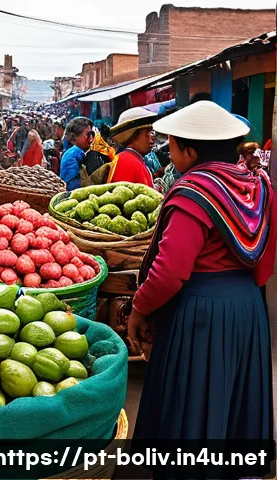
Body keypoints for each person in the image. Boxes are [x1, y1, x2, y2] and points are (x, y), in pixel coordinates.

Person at [128, 101, 276, 446]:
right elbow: (265, 258)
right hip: (247, 307)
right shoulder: (255, 185)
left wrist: (139, 308)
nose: (171, 154)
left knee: (194, 404)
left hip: (202, 314)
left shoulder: (194, 193)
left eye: (174, 146)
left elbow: (169, 272)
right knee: (234, 402)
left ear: (190, 152)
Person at [107, 107, 156, 187]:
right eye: (147, 133)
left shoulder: (132, 158)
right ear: (134, 136)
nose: (151, 139)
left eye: (152, 133)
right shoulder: (126, 161)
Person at [59, 117, 94, 191]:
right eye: (88, 134)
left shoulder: (72, 151)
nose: (91, 138)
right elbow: (74, 187)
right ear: (75, 137)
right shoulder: (74, 153)